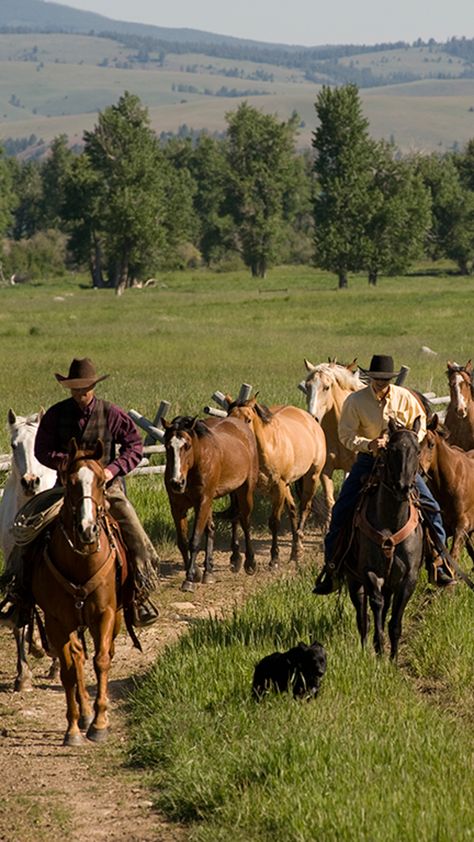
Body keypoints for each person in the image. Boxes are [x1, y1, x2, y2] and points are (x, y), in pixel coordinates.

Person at [4, 357, 160, 627]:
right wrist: (62, 462)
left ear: (93, 387)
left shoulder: (111, 413)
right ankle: (19, 596)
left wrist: (112, 470)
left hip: (106, 488)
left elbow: (134, 445)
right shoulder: (55, 414)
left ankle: (138, 594)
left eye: (85, 388)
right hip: (65, 488)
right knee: (28, 532)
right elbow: (41, 449)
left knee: (135, 533)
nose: (80, 393)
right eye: (75, 388)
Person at [313, 354, 456, 594]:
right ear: (370, 378)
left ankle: (439, 562)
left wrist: (403, 441)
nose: (381, 383)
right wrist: (369, 444)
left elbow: (419, 427)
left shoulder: (405, 397)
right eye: (377, 379)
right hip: (369, 461)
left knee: (431, 507)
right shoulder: (355, 401)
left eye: (385, 379)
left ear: (390, 379)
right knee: (341, 510)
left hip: (400, 463)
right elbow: (345, 435)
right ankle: (333, 568)